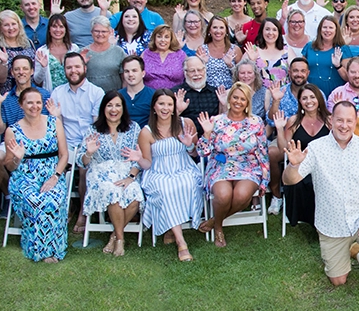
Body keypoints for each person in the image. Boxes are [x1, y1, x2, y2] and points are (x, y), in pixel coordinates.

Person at [284, 100, 359, 285]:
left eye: (349, 121)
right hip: (331, 225)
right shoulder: (316, 148)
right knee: (338, 281)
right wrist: (294, 165)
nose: (344, 126)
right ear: (331, 120)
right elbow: (289, 180)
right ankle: (341, 258)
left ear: (356, 121)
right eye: (339, 120)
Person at [196, 82, 269, 247]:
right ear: (229, 99)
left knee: (242, 196)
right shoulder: (216, 121)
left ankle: (215, 221)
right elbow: (202, 152)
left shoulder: (256, 122)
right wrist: (207, 133)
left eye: (243, 99)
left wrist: (265, 179)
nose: (238, 102)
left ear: (247, 103)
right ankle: (219, 228)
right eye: (235, 97)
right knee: (223, 196)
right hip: (221, 166)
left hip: (248, 166)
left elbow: (263, 152)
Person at [2, 88, 69, 262]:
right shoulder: (12, 131)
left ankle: (55, 249)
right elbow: (9, 166)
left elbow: (64, 155)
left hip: (52, 174)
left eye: (38, 102)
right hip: (24, 177)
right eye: (30, 102)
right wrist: (17, 158)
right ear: (21, 105)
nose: (35, 106)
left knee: (52, 200)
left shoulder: (54, 123)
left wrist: (55, 177)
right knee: (37, 202)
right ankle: (41, 251)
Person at [137, 89, 203, 261]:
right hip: (158, 171)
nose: (165, 108)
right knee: (166, 189)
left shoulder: (185, 123)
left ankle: (170, 229)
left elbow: (196, 155)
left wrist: (189, 146)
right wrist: (138, 159)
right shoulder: (146, 132)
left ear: (174, 107)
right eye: (161, 104)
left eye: (169, 104)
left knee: (187, 184)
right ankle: (181, 243)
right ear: (154, 107)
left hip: (184, 167)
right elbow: (147, 164)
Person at [78, 91, 144, 257]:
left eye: (117, 105)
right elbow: (81, 161)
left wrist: (130, 177)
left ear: (123, 108)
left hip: (126, 173)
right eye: (109, 105)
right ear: (103, 108)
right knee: (113, 191)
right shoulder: (93, 130)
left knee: (135, 193)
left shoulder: (133, 128)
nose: (113, 109)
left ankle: (114, 235)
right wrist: (89, 153)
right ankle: (120, 240)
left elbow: (139, 158)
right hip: (100, 174)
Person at [0, 56, 51, 189]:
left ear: (32, 71)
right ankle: (9, 197)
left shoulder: (43, 95)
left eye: (25, 68)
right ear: (12, 73)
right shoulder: (6, 97)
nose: (21, 72)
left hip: (38, 142)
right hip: (12, 142)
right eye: (17, 69)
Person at [275, 83, 330, 228]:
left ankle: (323, 222)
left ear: (319, 99)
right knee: (300, 183)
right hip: (300, 165)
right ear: (300, 101)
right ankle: (312, 221)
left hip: (325, 166)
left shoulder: (329, 120)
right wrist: (280, 129)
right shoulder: (294, 121)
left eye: (312, 97)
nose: (309, 101)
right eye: (304, 98)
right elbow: (283, 149)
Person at [50, 52, 104, 148]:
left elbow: (97, 125)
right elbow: (57, 127)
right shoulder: (57, 93)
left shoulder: (97, 93)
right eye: (69, 67)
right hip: (66, 146)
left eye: (77, 66)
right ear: (64, 70)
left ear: (85, 68)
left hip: (92, 144)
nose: (73, 70)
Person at [0, 10, 36, 95]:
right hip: (8, 95)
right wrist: (4, 63)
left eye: (13, 24)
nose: (11, 28)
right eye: (6, 25)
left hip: (30, 93)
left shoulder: (28, 43)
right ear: (0, 28)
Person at [175, 56, 223, 135]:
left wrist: (223, 105)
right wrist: (178, 111)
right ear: (185, 73)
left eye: (200, 70)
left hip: (212, 139)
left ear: (205, 70)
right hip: (185, 140)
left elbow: (224, 120)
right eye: (192, 71)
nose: (197, 74)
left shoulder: (217, 93)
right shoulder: (177, 93)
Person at [301, 15, 346, 98]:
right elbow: (301, 69)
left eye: (331, 28)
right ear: (320, 29)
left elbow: (348, 77)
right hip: (312, 93)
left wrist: (338, 66)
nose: (327, 30)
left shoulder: (343, 49)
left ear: (336, 30)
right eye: (324, 27)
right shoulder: (309, 47)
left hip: (336, 94)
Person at [34, 13, 77, 91]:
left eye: (61, 26)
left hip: (72, 94)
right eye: (54, 26)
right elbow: (37, 80)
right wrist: (43, 68)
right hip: (51, 96)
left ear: (65, 29)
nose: (58, 30)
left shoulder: (74, 49)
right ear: (49, 30)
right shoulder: (41, 52)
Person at [83, 16, 126, 93]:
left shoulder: (119, 52)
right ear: (91, 32)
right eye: (97, 31)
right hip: (90, 97)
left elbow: (125, 78)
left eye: (104, 31)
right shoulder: (83, 52)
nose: (100, 34)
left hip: (113, 98)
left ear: (110, 32)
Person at [197, 16, 241, 90]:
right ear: (209, 31)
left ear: (226, 31)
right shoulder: (202, 50)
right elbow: (196, 75)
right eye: (215, 27)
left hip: (230, 93)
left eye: (221, 27)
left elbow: (242, 75)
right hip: (208, 93)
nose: (218, 31)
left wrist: (230, 65)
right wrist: (202, 64)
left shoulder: (235, 50)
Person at [142, 25, 187, 90]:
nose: (163, 40)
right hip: (150, 96)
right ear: (154, 38)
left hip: (174, 95)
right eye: (159, 37)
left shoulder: (180, 54)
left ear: (171, 39)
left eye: (166, 37)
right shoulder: (146, 53)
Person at [119, 55, 155, 128]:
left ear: (143, 73)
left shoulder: (154, 95)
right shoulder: (117, 96)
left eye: (134, 71)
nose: (130, 74)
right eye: (126, 71)